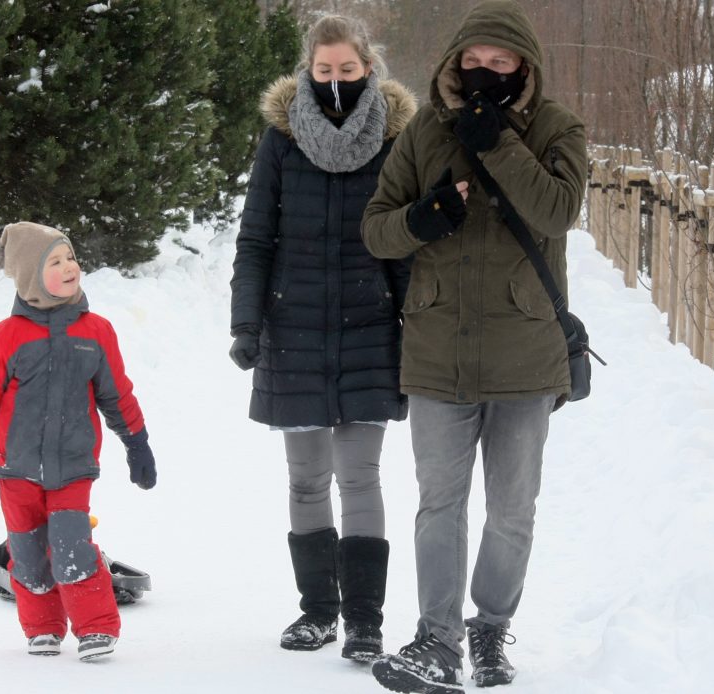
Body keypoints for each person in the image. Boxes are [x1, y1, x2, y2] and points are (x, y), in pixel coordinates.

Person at [360, 1, 587, 691]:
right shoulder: (425, 130)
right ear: (455, 60)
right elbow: (376, 230)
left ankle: (488, 629)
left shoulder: (557, 129)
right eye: (474, 58)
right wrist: (425, 217)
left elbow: (557, 211)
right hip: (437, 351)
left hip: (525, 351)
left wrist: (497, 143)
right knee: (439, 502)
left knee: (512, 508)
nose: (485, 70)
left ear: (525, 66)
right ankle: (437, 640)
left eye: (501, 60)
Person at [229, 15, 417, 662]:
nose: (335, 80)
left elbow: (406, 251)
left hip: (369, 331)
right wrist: (246, 323)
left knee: (360, 476)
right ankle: (318, 611)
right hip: (295, 327)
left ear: (369, 68)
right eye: (324, 70)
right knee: (306, 480)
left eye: (347, 70)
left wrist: (417, 328)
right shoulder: (280, 142)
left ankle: (366, 619)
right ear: (308, 70)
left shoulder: (397, 141)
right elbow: (255, 240)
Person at [0, 221, 157, 661]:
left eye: (70, 256)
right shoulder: (4, 338)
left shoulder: (96, 332)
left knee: (73, 546)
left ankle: (95, 628)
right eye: (55, 261)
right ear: (31, 274)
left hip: (72, 465)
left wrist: (136, 441)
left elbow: (116, 393)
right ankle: (43, 627)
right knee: (27, 551)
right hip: (16, 467)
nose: (70, 266)